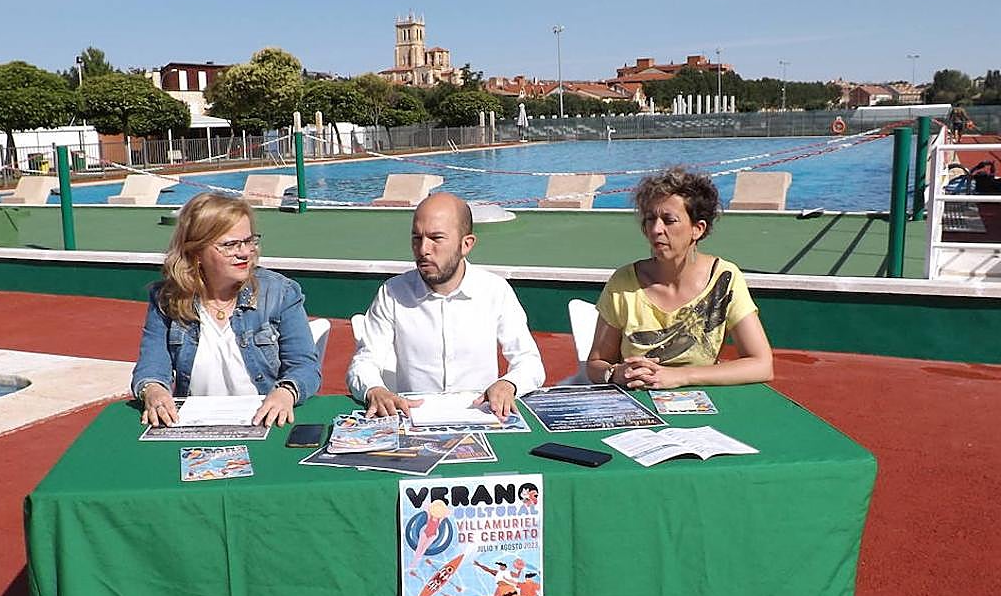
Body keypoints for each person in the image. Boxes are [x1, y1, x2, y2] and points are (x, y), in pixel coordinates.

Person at [346, 192, 545, 418]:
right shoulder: (392, 293)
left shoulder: (494, 291)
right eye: (416, 238)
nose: (423, 250)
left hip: (482, 417)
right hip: (414, 420)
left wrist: (508, 384)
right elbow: (364, 361)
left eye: (436, 238)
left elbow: (529, 361)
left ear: (466, 244)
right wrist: (374, 390)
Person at [131, 193, 322, 427]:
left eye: (250, 240)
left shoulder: (280, 293)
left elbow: (305, 367)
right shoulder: (167, 300)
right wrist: (153, 391)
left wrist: (285, 393)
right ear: (196, 252)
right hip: (195, 427)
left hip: (266, 423)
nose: (245, 252)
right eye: (230, 245)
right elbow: (151, 367)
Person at [585, 167, 772, 389]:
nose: (656, 229)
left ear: (697, 229)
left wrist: (680, 376)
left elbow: (762, 365)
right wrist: (615, 373)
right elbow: (595, 364)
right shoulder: (624, 283)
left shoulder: (724, 279)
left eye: (669, 220)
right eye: (649, 219)